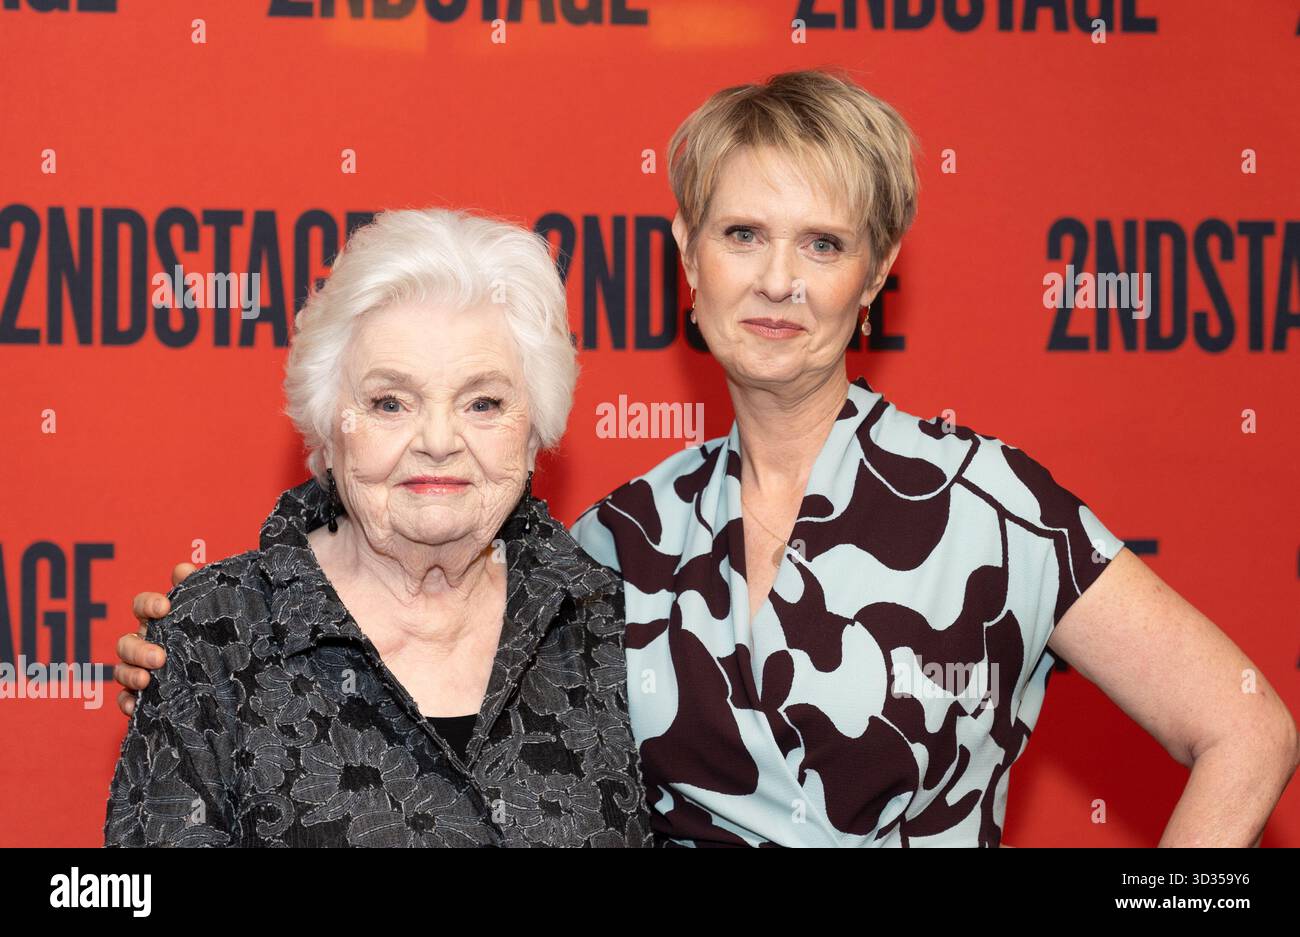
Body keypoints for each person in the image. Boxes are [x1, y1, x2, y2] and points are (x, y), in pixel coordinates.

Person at [114, 69, 1299, 847]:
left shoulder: (989, 506)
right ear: (688, 254)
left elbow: (1248, 730)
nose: (777, 279)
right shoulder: (617, 543)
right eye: (742, 233)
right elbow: (412, 620)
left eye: (821, 242)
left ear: (877, 272)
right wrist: (214, 645)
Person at [104, 208, 651, 847]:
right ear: (329, 428)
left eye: (483, 403)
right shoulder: (216, 636)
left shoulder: (617, 628)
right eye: (390, 403)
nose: (439, 441)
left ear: (534, 434)